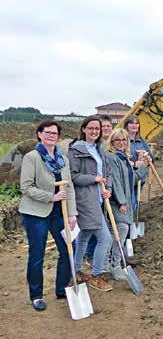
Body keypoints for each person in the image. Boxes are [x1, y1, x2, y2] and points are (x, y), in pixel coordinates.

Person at [19, 121, 77, 311]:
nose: (52, 135)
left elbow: (69, 187)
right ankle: (36, 295)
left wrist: (72, 213)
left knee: (69, 248)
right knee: (37, 254)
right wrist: (50, 197)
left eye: (55, 133)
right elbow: (26, 187)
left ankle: (61, 289)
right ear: (39, 134)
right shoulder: (32, 157)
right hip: (36, 213)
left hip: (59, 213)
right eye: (48, 132)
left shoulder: (63, 159)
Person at [68, 115, 113, 292]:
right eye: (91, 128)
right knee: (105, 238)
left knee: (84, 237)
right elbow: (73, 176)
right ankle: (96, 275)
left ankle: (76, 270)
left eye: (97, 129)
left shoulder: (99, 149)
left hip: (98, 198)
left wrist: (106, 187)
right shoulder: (76, 150)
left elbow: (105, 173)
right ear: (84, 129)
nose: (94, 131)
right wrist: (94, 179)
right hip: (85, 200)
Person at [105, 128, 150, 280]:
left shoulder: (124, 157)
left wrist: (143, 165)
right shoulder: (111, 157)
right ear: (112, 141)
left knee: (119, 231)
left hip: (125, 200)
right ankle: (114, 264)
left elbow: (133, 179)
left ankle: (110, 261)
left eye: (124, 140)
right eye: (118, 140)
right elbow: (115, 181)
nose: (121, 143)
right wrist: (122, 202)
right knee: (121, 229)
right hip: (116, 202)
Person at [85, 114, 114, 266]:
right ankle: (90, 256)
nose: (106, 129)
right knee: (93, 228)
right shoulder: (96, 147)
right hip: (92, 195)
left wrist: (108, 187)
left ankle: (98, 254)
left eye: (109, 126)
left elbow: (108, 171)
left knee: (102, 228)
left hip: (105, 193)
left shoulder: (113, 144)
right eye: (103, 127)